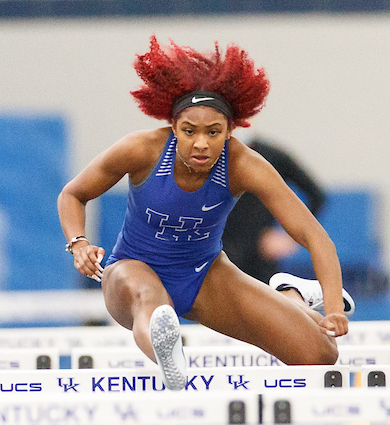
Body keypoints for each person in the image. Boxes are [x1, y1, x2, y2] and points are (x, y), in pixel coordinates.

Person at [57, 37, 353, 391]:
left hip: (205, 275)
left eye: (213, 132)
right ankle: (171, 357)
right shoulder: (141, 150)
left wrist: (334, 307)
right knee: (151, 302)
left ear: (230, 130)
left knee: (321, 354)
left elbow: (313, 236)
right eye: (189, 131)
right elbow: (73, 194)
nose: (201, 143)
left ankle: (290, 295)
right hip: (131, 270)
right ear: (172, 126)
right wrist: (78, 243)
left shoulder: (244, 164)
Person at [222, 138, 326, 284]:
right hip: (219, 254)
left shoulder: (270, 156)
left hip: (259, 259)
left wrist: (291, 238)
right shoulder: (210, 159)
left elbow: (316, 196)